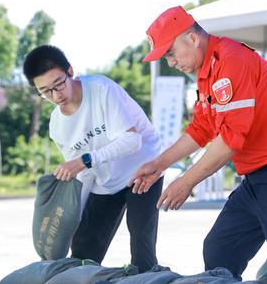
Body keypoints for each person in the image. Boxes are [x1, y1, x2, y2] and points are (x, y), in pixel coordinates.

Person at [131, 6, 267, 283]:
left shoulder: (231, 59)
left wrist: (187, 181)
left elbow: (231, 139)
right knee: (220, 250)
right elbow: (201, 129)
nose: (171, 63)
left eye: (170, 53)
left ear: (191, 38)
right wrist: (158, 164)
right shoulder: (206, 73)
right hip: (258, 178)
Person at [23, 45, 165, 272]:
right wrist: (73, 222)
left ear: (70, 71)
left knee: (141, 246)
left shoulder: (100, 89)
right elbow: (83, 175)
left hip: (143, 169)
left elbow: (132, 141)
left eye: (58, 84)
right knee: (82, 251)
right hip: (105, 181)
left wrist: (84, 160)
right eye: (46, 91)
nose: (55, 95)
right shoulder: (57, 126)